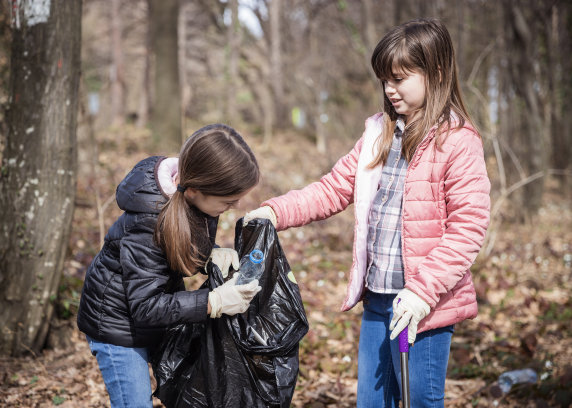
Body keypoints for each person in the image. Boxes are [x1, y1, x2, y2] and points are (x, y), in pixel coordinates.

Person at [244, 18, 490, 408]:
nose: (389, 90)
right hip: (379, 300)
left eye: (399, 78)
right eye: (384, 80)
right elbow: (333, 188)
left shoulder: (457, 141)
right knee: (372, 402)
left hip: (424, 308)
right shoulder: (379, 133)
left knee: (421, 401)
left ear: (436, 73)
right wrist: (275, 212)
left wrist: (422, 294)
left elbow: (468, 228)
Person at [77, 123, 262, 408]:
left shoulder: (194, 199)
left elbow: (181, 245)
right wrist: (212, 302)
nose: (233, 206)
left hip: (154, 315)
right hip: (118, 325)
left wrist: (210, 255)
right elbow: (145, 307)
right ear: (195, 191)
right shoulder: (147, 225)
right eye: (227, 201)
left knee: (191, 388)